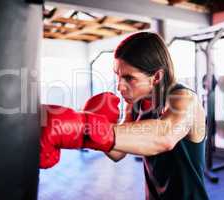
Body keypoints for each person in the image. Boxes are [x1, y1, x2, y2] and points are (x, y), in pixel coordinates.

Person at [39, 32, 209, 200]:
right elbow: (118, 153)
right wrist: (90, 130)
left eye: (129, 78)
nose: (120, 87)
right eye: (118, 76)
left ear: (156, 76)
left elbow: (164, 136)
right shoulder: (136, 104)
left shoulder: (185, 100)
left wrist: (87, 125)